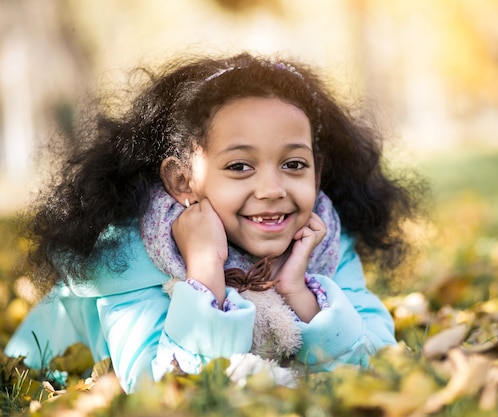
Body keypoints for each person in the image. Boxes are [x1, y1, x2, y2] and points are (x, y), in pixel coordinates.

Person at [5, 52, 425, 393]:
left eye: (294, 164)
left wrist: (299, 291)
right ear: (182, 181)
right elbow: (168, 388)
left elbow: (376, 361)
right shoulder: (130, 260)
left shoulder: (323, 238)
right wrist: (205, 271)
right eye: (240, 166)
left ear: (318, 169)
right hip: (38, 356)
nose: (272, 188)